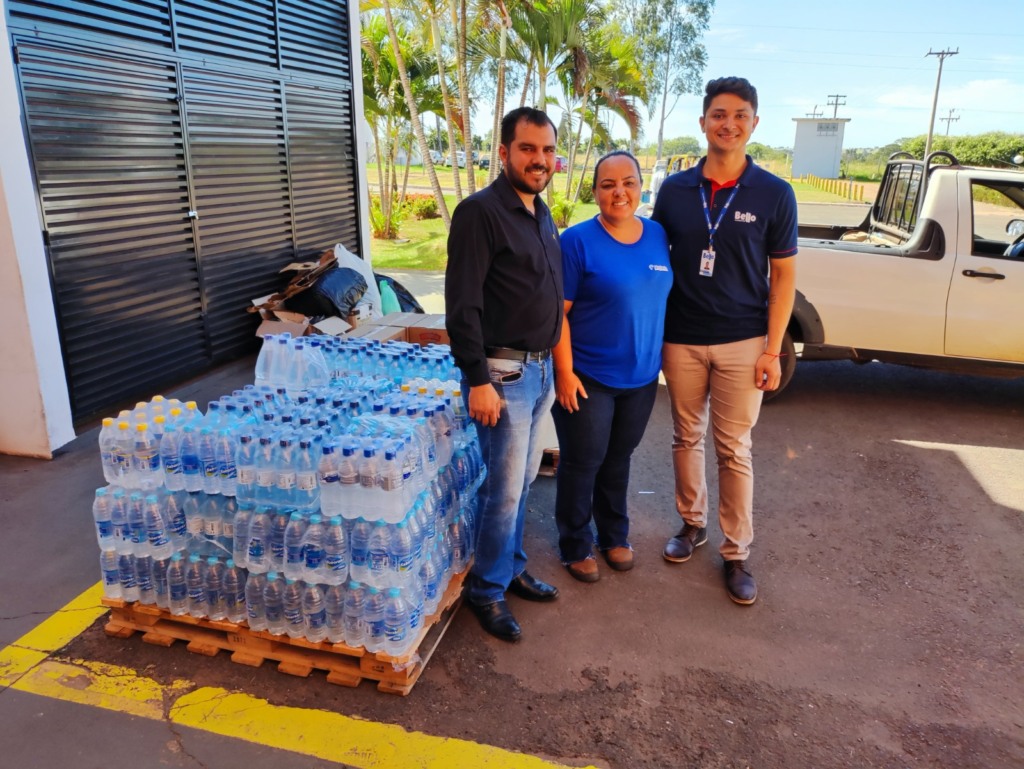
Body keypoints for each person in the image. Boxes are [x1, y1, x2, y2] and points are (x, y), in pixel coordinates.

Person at [652, 76, 798, 605]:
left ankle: (736, 552)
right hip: (682, 337)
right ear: (703, 122)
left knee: (734, 448)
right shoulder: (673, 191)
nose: (728, 123)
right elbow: (652, 261)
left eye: (739, 115)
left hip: (744, 339)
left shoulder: (775, 194)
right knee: (684, 436)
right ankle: (692, 524)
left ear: (754, 124)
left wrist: (772, 349)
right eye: (718, 114)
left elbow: (783, 278)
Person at [444, 107, 564, 642]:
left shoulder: (540, 212)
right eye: (527, 149)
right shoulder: (480, 213)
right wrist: (477, 380)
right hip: (503, 374)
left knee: (522, 484)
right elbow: (462, 306)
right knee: (503, 491)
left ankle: (510, 567)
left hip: (539, 375)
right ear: (504, 152)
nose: (538, 160)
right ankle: (486, 591)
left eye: (546, 151)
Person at [550, 151, 672, 582]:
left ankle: (614, 536)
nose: (619, 192)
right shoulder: (577, 241)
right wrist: (564, 373)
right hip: (588, 376)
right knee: (584, 460)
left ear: (641, 186)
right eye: (607, 184)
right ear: (596, 190)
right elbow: (557, 314)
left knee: (619, 458)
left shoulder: (658, 235)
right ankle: (575, 543)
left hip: (641, 378)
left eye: (628, 182)